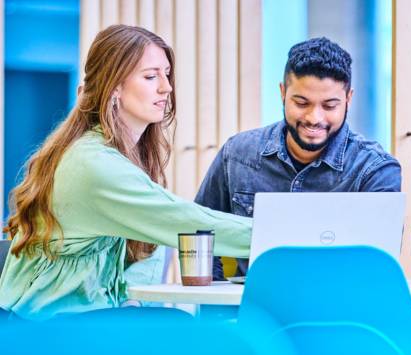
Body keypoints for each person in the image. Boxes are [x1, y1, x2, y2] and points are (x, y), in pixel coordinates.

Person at [0, 25, 251, 320]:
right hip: (43, 328)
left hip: (80, 318)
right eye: (150, 76)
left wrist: (135, 303)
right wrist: (279, 235)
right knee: (178, 326)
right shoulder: (93, 164)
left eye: (166, 73)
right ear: (114, 87)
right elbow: (184, 221)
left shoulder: (115, 158)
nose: (166, 87)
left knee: (167, 323)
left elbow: (151, 241)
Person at [195, 37, 401, 279]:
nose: (314, 118)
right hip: (255, 310)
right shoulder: (238, 154)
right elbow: (200, 236)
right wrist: (218, 312)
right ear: (283, 93)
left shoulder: (374, 169)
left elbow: (377, 267)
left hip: (340, 311)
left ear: (348, 99)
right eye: (301, 103)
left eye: (329, 105)